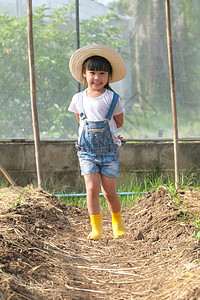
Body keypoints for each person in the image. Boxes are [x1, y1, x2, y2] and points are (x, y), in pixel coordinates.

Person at [68, 44, 126, 240]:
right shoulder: (78, 99)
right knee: (91, 189)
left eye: (102, 73)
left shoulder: (112, 98)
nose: (97, 78)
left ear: (109, 76)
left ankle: (117, 223)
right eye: (92, 72)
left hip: (109, 152)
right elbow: (81, 120)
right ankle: (96, 227)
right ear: (84, 74)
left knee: (109, 192)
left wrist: (114, 135)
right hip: (86, 152)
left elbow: (118, 122)